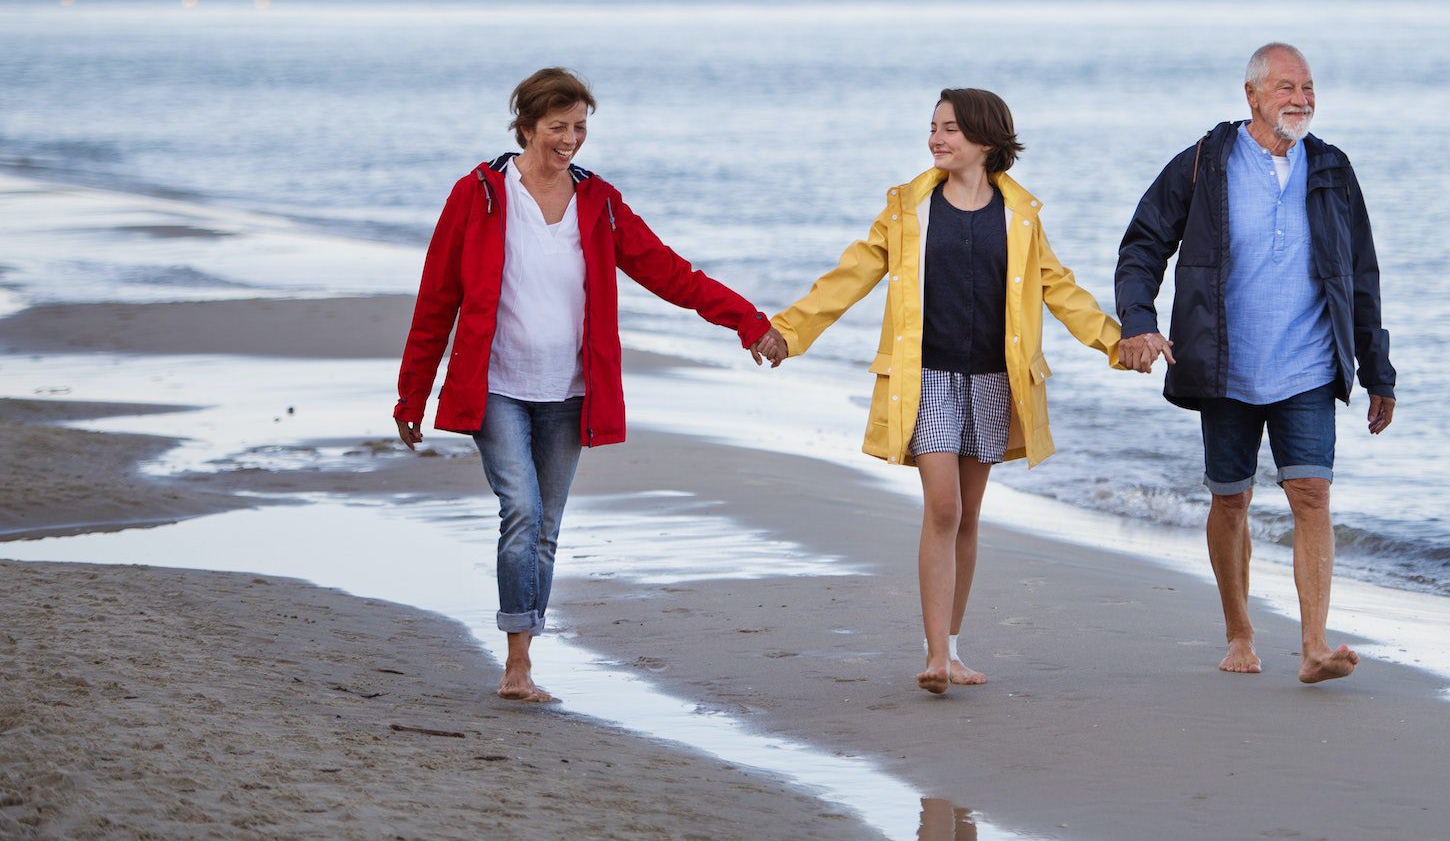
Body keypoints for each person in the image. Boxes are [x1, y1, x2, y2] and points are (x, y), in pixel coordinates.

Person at [393, 67, 786, 702]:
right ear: (525, 128)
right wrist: (412, 395)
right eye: (558, 127)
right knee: (520, 510)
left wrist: (748, 322)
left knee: (545, 525)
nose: (571, 139)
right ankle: (516, 665)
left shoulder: (599, 202)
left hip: (570, 391)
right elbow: (436, 299)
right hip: (494, 385)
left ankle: (525, 654)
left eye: (580, 127)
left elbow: (670, 273)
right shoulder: (479, 195)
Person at [767, 88, 1124, 694]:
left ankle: (953, 649)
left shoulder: (1020, 216)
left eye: (951, 129)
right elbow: (850, 275)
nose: (937, 138)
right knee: (943, 507)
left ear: (985, 140)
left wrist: (1118, 343)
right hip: (925, 378)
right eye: (933, 127)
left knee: (968, 517)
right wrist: (788, 331)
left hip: (992, 380)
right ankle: (934, 655)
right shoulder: (908, 210)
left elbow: (1061, 290)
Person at [1114, 43, 1397, 684]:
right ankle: (1239, 632)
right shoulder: (1204, 164)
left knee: (1312, 494)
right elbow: (1143, 243)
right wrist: (1139, 321)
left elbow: (1362, 275)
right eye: (1286, 88)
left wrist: (1378, 370)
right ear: (1253, 95)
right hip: (1224, 366)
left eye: (1309, 88)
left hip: (1308, 365)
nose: (1301, 99)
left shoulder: (1331, 168)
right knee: (1231, 501)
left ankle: (1314, 645)